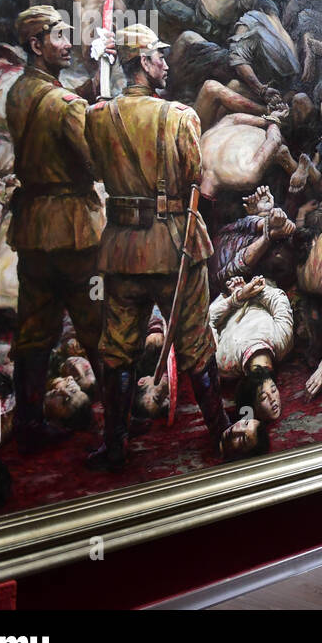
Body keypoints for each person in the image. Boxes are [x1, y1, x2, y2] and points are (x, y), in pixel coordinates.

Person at [85, 24, 232, 469]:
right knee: (196, 344)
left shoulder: (96, 117)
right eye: (158, 57)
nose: (166, 64)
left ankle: (115, 445)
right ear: (141, 64)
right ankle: (221, 432)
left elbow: (94, 165)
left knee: (118, 348)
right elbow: (193, 174)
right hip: (175, 248)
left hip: (123, 251)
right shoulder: (180, 117)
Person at [3, 5, 107, 453]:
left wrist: (93, 85)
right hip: (74, 230)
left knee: (33, 330)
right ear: (36, 44)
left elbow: (54, 110)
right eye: (60, 37)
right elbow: (93, 159)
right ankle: (119, 422)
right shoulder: (66, 105)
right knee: (97, 325)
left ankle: (29, 426)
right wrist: (100, 109)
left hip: (32, 227)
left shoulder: (18, 92)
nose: (68, 44)